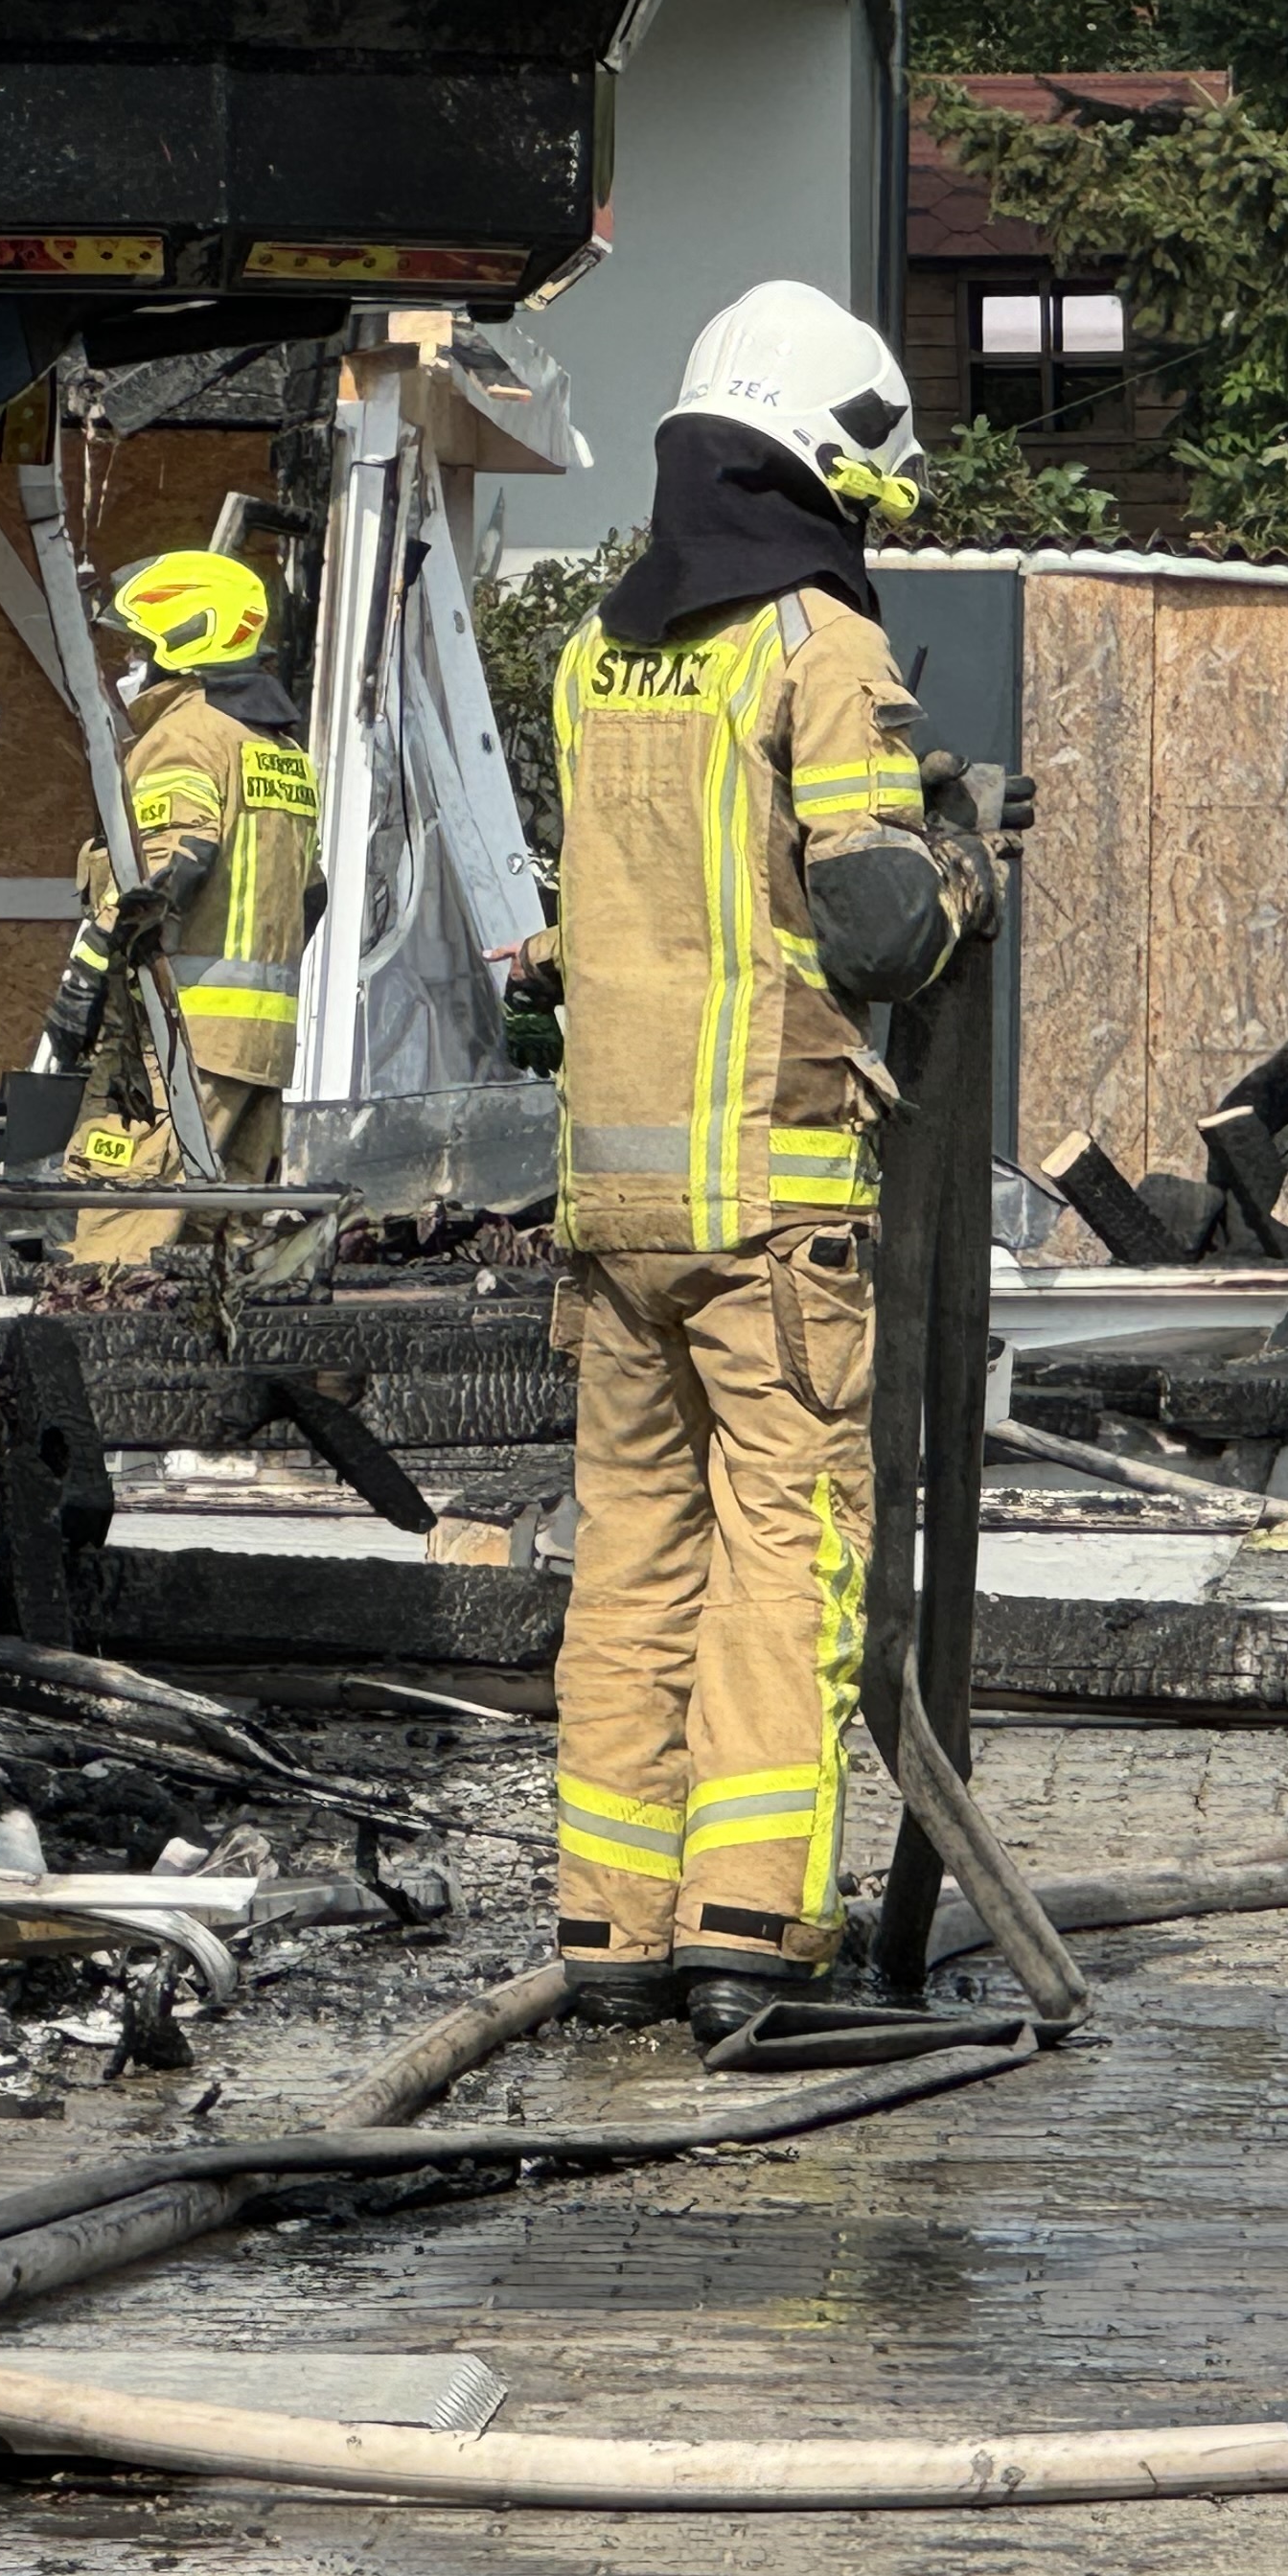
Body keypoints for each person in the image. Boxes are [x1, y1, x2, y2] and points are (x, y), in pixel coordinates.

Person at [509, 281, 1034, 2052]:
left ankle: (610, 1926)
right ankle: (747, 1932)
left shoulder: (599, 654)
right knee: (786, 1555)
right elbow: (880, 920)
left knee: (631, 1556)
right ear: (816, 453)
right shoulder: (814, 643)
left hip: (611, 1204)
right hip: (771, 1201)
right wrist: (969, 865)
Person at [36, 547, 324, 1267]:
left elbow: (164, 871)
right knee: (208, 1259)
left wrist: (84, 982)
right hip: (255, 1058)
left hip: (172, 1042)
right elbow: (309, 894)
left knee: (114, 1241)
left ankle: (105, 1379)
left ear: (185, 639)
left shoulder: (186, 737)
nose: (130, 665)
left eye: (138, 646)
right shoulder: (278, 749)